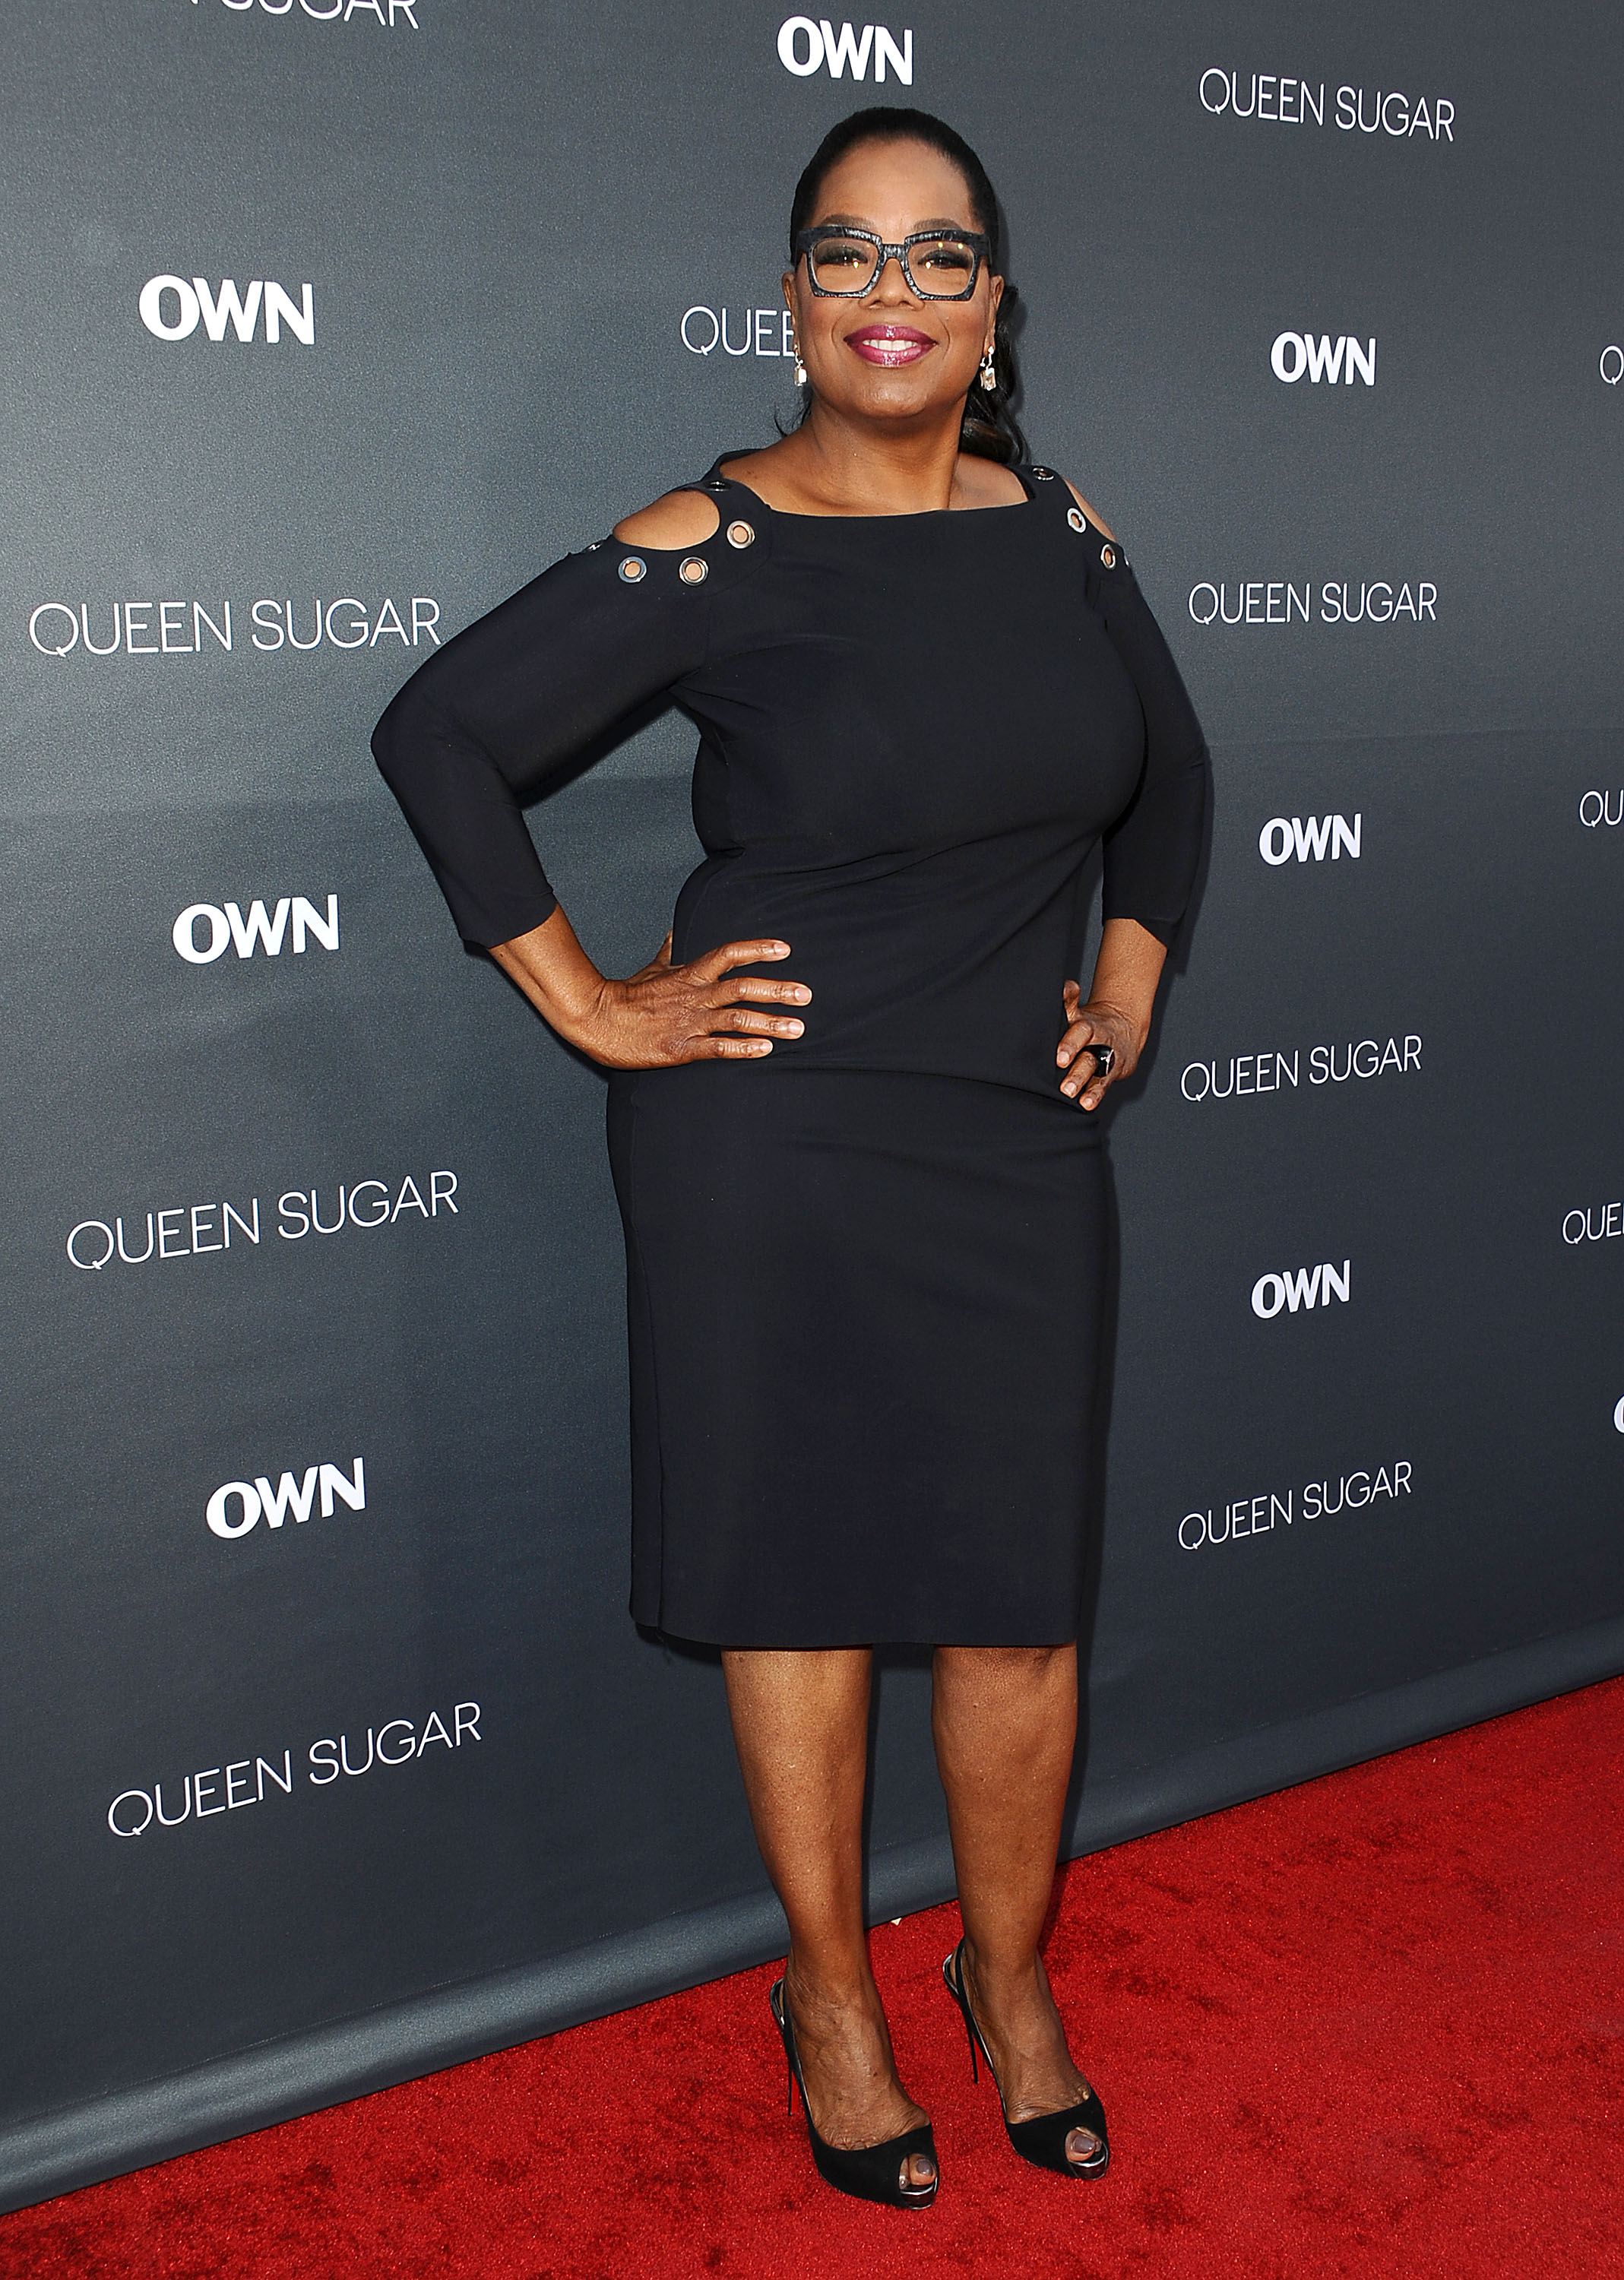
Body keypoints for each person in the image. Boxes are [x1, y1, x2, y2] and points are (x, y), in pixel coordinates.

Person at [373, 105, 1208, 2211]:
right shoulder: (720, 537)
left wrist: (1123, 984)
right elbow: (441, 734)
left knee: (1017, 1614)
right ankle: (831, 1999)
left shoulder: (1059, 526)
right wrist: (590, 1000)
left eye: (940, 256)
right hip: (771, 1131)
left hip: (1009, 1133)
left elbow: (1171, 784)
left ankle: (1006, 1984)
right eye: (847, 253)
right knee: (806, 1600)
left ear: (994, 304)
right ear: (792, 298)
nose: (892, 292)